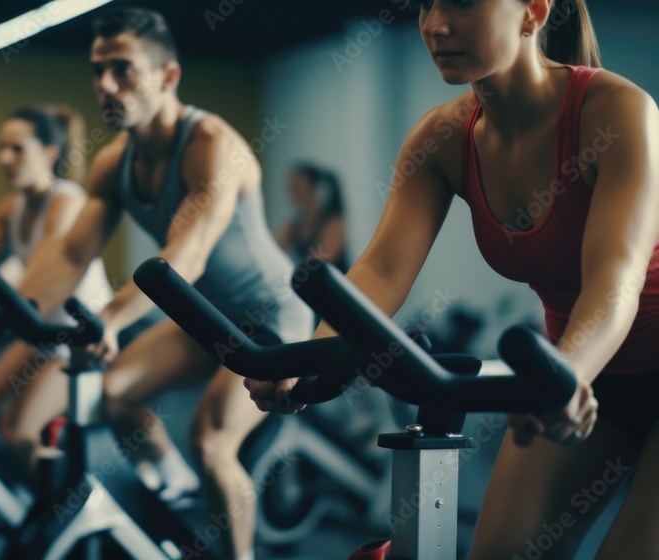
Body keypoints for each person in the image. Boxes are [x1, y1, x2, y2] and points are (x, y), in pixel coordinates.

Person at [246, 1, 659, 557]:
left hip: (580, 364)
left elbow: (616, 279)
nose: (435, 25)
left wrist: (568, 376)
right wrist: (308, 363)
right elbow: (383, 269)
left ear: (533, 10)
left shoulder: (615, 111)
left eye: (462, 2)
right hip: (584, 376)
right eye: (426, 4)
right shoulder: (442, 137)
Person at [8, 9, 313, 559]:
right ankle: (174, 486)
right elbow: (72, 253)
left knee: (213, 443)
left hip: (269, 319)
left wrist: (112, 320)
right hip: (204, 317)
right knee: (114, 393)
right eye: (98, 70)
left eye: (123, 69)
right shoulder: (113, 162)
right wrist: (17, 313)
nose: (105, 84)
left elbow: (186, 256)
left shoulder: (211, 144)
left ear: (168, 76)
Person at [0, 105, 114, 429]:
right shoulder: (10, 207)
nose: (4, 158)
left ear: (50, 153)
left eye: (17, 149)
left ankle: (55, 460)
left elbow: (41, 273)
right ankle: (41, 457)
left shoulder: (67, 201)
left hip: (79, 334)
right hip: (38, 327)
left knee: (21, 431)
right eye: (1, 148)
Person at [276, 162, 349, 272]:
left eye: (296, 187)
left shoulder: (333, 223)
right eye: (290, 187)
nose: (291, 191)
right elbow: (273, 251)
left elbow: (317, 263)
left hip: (335, 286)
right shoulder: (292, 225)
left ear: (313, 189)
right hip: (311, 285)